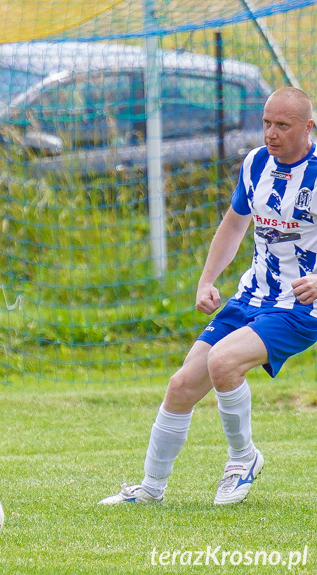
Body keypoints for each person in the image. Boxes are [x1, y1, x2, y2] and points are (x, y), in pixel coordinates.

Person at [100, 87, 317, 506]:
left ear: (308, 127)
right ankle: (150, 489)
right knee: (181, 385)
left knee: (223, 362)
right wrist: (206, 280)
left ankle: (243, 459)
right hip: (253, 296)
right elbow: (234, 225)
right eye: (266, 123)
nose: (271, 133)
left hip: (300, 305)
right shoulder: (255, 163)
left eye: (282, 125)